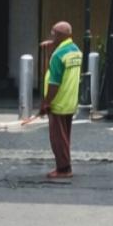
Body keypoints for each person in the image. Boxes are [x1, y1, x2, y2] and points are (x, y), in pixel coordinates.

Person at [40, 20, 82, 182]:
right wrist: (54, 45)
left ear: (60, 36)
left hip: (58, 101)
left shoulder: (58, 56)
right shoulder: (75, 51)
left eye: (54, 34)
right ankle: (64, 166)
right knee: (65, 136)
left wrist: (46, 102)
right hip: (71, 100)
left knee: (58, 138)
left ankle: (64, 169)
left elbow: (54, 82)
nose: (52, 36)